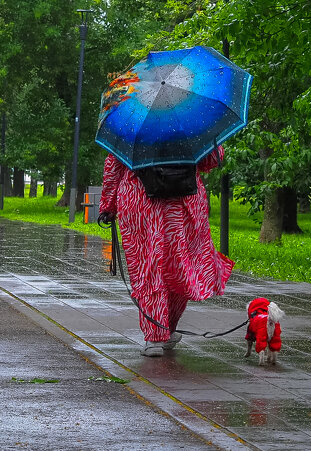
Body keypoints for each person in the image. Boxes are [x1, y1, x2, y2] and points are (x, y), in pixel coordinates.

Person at [98, 148, 233, 357]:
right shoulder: (190, 119)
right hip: (183, 200)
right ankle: (166, 329)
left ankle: (155, 336)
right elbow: (211, 160)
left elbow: (114, 164)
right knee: (181, 266)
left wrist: (108, 206)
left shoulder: (131, 119)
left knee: (147, 266)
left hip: (139, 200)